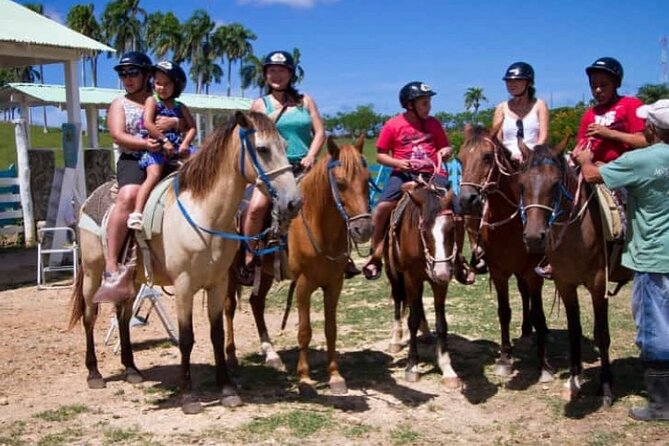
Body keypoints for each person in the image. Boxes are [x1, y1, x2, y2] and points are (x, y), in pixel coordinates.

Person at [574, 99, 669, 422]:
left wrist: (587, 158)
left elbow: (590, 175)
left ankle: (660, 404)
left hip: (654, 256)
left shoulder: (644, 160)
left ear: (653, 130)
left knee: (654, 330)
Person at [536, 56, 646, 279]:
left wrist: (610, 134)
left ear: (616, 83)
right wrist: (577, 155)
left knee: (628, 207)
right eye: (593, 85)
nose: (597, 90)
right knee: (557, 198)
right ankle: (555, 253)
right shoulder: (589, 114)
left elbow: (645, 140)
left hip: (623, 172)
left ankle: (632, 252)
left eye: (602, 85)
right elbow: (581, 144)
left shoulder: (631, 105)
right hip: (590, 170)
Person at [361, 81, 474, 285]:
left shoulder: (434, 123)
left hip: (434, 174)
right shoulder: (393, 124)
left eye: (429, 101)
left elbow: (445, 149)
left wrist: (446, 151)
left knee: (457, 211)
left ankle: (458, 259)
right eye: (424, 102)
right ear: (410, 104)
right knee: (381, 208)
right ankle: (376, 254)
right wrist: (398, 163)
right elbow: (380, 156)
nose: (428, 106)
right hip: (404, 174)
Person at [95, 51, 181, 301]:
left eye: (133, 72)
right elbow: (118, 135)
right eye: (123, 74)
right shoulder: (119, 104)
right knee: (128, 195)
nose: (127, 78)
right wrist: (146, 144)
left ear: (146, 75)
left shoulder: (163, 100)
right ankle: (111, 265)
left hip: (165, 157)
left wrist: (174, 125)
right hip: (133, 159)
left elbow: (184, 125)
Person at [240, 50, 326, 285]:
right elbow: (253, 137)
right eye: (271, 71)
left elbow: (320, 132)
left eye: (281, 70)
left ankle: (340, 255)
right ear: (266, 75)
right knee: (256, 208)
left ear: (290, 74)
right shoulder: (260, 104)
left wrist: (311, 155)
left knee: (335, 202)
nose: (276, 75)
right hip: (274, 170)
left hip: (305, 166)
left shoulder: (305, 101)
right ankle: (250, 255)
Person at [127, 60, 196, 230]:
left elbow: (192, 127)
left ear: (176, 86)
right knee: (154, 173)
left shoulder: (180, 107)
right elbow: (148, 123)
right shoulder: (152, 101)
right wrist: (164, 141)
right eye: (158, 83)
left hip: (176, 148)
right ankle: (137, 212)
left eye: (166, 84)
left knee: (199, 161)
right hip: (157, 147)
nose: (161, 88)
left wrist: (186, 144)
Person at [492, 61, 550, 161]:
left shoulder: (540, 105)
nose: (511, 84)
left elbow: (543, 137)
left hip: (534, 158)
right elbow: (498, 138)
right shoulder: (501, 108)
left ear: (529, 83)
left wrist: (531, 154)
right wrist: (508, 156)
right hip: (507, 159)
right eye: (508, 81)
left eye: (517, 80)